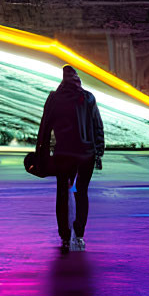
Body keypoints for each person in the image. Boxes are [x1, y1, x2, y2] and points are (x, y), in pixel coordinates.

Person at [36, 64, 105, 254]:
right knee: (81, 193)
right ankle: (80, 234)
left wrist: (43, 154)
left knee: (63, 194)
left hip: (63, 154)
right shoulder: (88, 98)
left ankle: (65, 236)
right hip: (86, 154)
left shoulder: (54, 99)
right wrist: (99, 152)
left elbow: (45, 127)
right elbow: (98, 126)